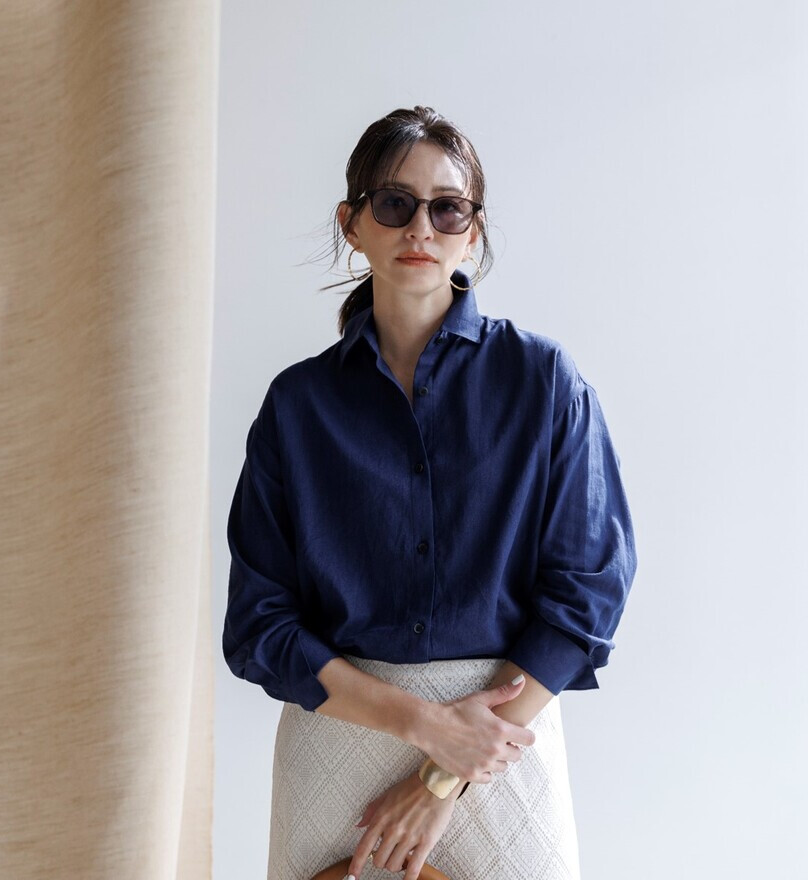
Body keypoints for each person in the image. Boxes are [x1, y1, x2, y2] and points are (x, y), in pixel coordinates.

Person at [222, 105, 638, 880]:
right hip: (339, 748)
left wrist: (447, 769)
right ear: (352, 223)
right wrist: (425, 726)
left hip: (502, 741)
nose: (421, 227)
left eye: (448, 208)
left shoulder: (544, 381)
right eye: (394, 203)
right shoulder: (298, 406)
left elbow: (589, 592)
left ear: (471, 233)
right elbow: (258, 625)